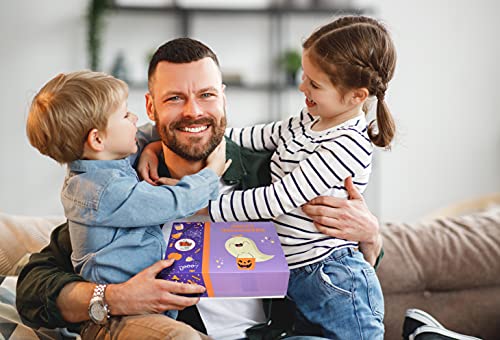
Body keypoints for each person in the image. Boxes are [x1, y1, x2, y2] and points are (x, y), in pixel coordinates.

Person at [16, 38, 383, 339]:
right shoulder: (125, 188)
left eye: (206, 95)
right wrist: (115, 297)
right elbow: (32, 289)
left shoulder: (276, 172)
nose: (194, 111)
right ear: (151, 107)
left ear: (224, 99)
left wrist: (371, 238)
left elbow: (338, 270)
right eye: (174, 98)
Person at [207, 16, 396, 339]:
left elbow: (279, 199)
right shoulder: (310, 119)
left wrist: (204, 205)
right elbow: (253, 136)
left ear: (356, 96)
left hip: (331, 275)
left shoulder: (348, 144)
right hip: (296, 274)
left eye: (314, 84)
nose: (302, 87)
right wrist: (200, 136)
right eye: (304, 77)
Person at [25, 70, 230, 322]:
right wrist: (212, 173)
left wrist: (154, 146)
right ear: (97, 139)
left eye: (207, 94)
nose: (134, 118)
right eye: (124, 115)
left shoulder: (105, 161)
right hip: (127, 314)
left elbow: (143, 133)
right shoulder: (103, 191)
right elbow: (174, 201)